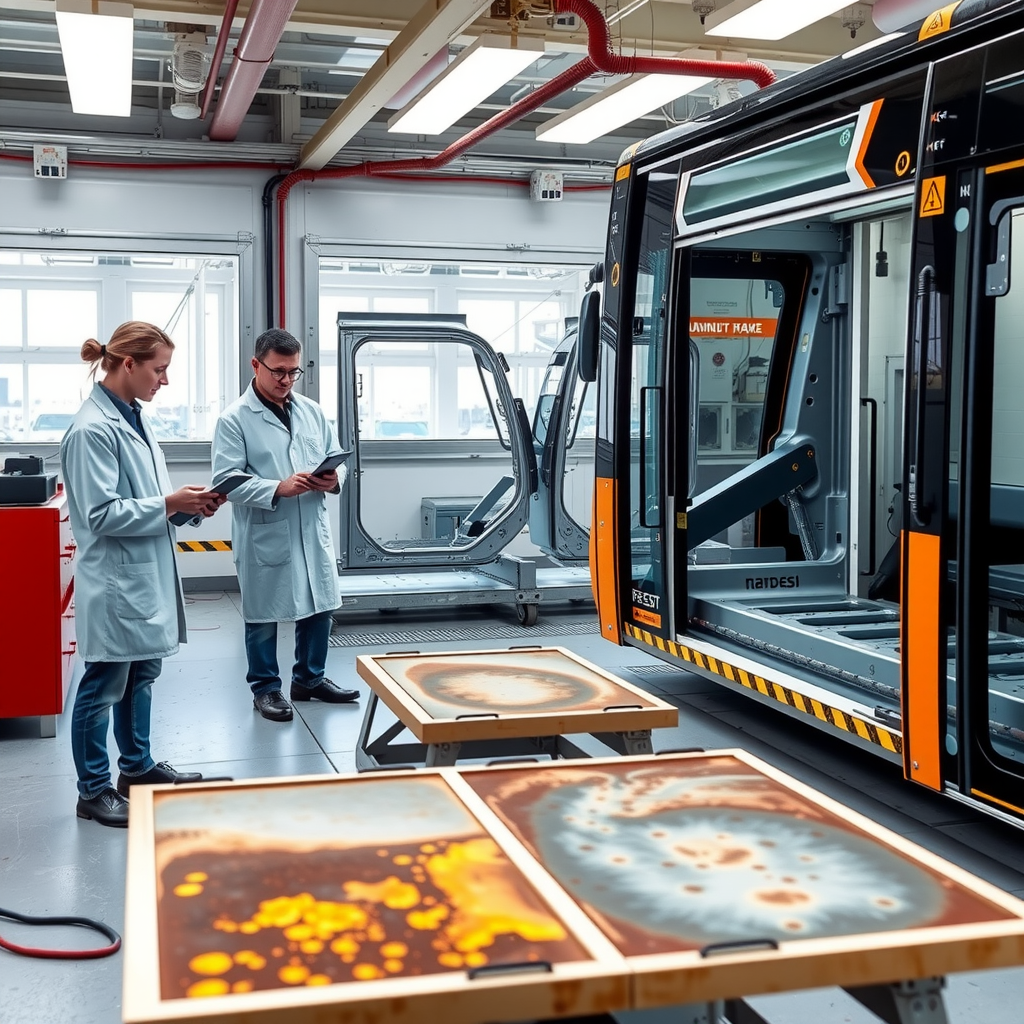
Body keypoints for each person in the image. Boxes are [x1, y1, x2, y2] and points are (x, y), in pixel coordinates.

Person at [60, 321, 226, 827]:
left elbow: (142, 499)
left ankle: (136, 769)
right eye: (160, 369)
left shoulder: (131, 415)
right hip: (116, 580)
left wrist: (186, 506)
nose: (165, 381)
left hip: (143, 573)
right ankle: (93, 790)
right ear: (127, 364)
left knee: (142, 673)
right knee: (105, 680)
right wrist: (168, 503)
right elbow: (101, 515)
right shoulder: (92, 430)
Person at [211, 328, 358, 722]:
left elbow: (333, 458)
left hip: (311, 526)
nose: (286, 380)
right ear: (255, 365)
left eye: (294, 372)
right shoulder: (234, 420)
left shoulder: (311, 411)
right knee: (262, 615)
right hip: (267, 529)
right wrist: (278, 487)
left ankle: (309, 680)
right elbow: (226, 480)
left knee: (319, 606)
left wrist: (333, 480)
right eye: (278, 371)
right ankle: (266, 688)